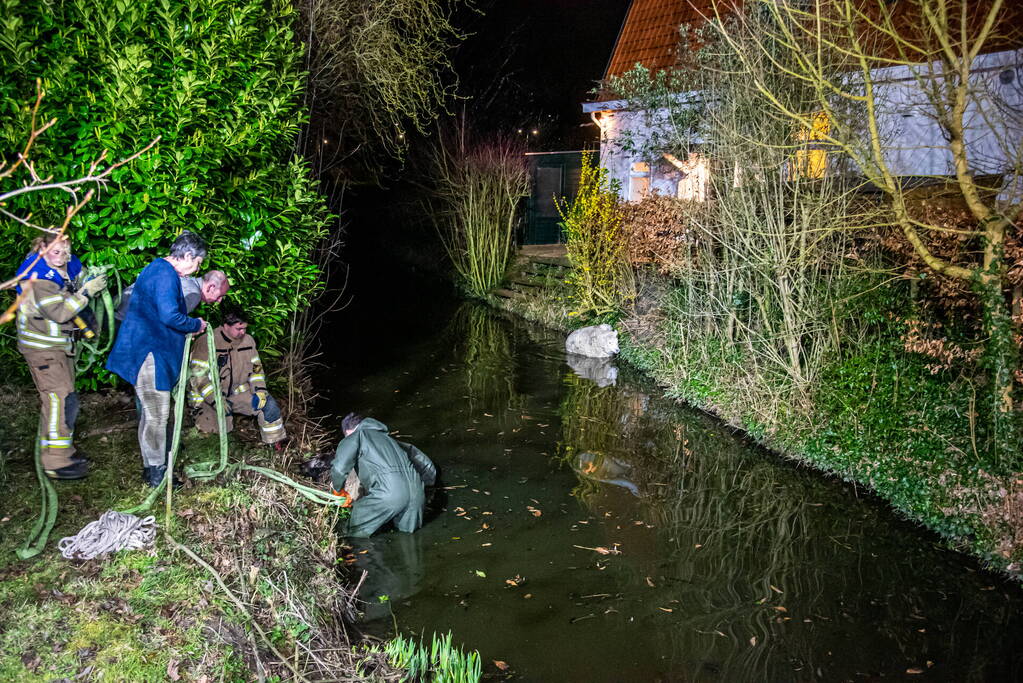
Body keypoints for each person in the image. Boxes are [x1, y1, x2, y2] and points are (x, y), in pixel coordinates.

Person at [106, 231, 207, 487]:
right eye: (197, 263)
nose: (196, 269)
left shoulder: (157, 269)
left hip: (148, 351)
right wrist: (195, 324)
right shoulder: (164, 275)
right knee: (157, 416)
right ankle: (157, 473)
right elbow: (169, 316)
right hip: (150, 355)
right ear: (186, 256)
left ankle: (151, 465)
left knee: (151, 414)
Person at [13, 234, 107, 480]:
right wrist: (86, 292)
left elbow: (77, 278)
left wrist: (90, 279)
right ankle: (56, 463)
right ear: (42, 248)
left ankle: (63, 450)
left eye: (65, 249)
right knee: (60, 400)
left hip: (60, 346)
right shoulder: (36, 277)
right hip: (42, 348)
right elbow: (61, 312)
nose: (61, 254)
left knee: (63, 398)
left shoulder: (68, 264)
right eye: (55, 250)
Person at [187, 309, 287, 447]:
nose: (243, 332)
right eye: (239, 328)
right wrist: (216, 400)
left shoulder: (248, 342)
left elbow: (256, 369)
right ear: (225, 325)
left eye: (245, 328)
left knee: (269, 407)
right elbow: (198, 377)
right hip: (208, 399)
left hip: (237, 394)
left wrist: (260, 391)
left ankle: (275, 445)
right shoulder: (206, 342)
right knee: (214, 431)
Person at [330, 413, 436, 537]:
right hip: (417, 494)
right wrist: (428, 486)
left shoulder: (355, 437)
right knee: (409, 538)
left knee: (354, 532)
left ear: (348, 431)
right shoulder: (389, 439)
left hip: (389, 494)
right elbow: (426, 463)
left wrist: (338, 490)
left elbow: (339, 468)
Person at [115, 270, 229, 322]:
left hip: (116, 309)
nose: (219, 301)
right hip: (125, 321)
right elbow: (168, 320)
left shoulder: (184, 279)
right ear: (211, 287)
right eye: (220, 295)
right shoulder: (194, 294)